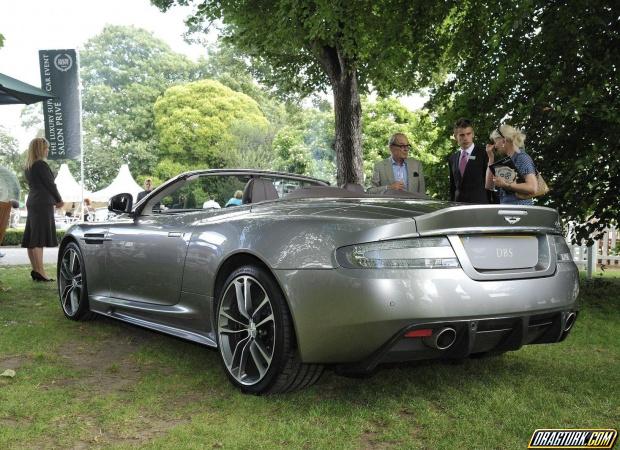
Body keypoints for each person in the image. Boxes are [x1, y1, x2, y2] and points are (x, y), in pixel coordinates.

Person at [21, 137, 64, 282]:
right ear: (41, 149)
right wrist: (59, 200)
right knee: (38, 239)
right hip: (42, 203)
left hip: (33, 201)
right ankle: (41, 272)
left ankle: (36, 269)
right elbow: (51, 185)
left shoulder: (29, 166)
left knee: (31, 237)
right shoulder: (41, 165)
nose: (48, 150)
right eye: (47, 148)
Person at [485, 124, 538, 205]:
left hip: (520, 212)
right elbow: (489, 186)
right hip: (509, 210)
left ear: (503, 141)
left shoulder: (521, 157)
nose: (495, 146)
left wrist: (507, 185)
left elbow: (532, 187)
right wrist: (491, 158)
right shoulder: (507, 161)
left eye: (496, 142)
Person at [448, 118, 492, 203]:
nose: (466, 138)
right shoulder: (452, 158)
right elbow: (453, 186)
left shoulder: (484, 155)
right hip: (458, 206)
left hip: (480, 206)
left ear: (473, 134)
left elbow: (491, 184)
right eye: (462, 135)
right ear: (455, 137)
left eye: (468, 134)